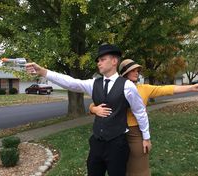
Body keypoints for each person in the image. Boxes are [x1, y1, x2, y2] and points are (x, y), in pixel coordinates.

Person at [25, 44, 151, 176]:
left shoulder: (127, 86)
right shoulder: (93, 83)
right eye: (98, 60)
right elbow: (71, 82)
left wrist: (146, 138)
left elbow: (140, 111)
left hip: (117, 144)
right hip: (97, 143)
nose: (99, 63)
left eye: (102, 59)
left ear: (114, 61)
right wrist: (44, 72)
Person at [89, 59, 198, 176]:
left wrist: (191, 87)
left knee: (140, 170)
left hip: (135, 134)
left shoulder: (144, 89)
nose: (137, 73)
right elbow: (97, 103)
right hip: (115, 136)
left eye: (137, 70)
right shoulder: (113, 87)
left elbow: (167, 89)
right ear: (124, 73)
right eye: (133, 70)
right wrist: (93, 109)